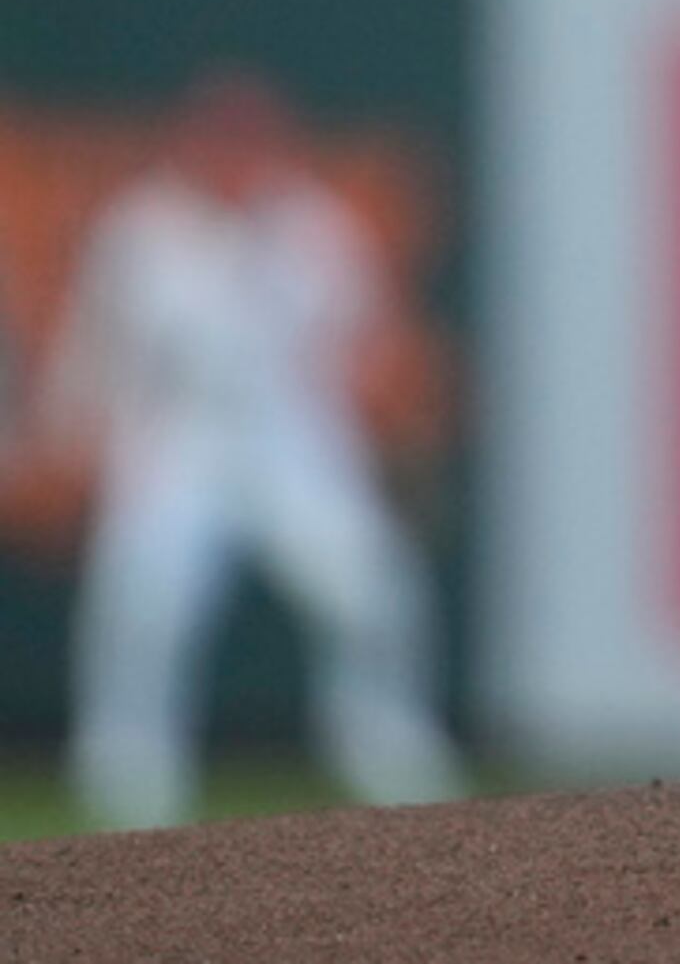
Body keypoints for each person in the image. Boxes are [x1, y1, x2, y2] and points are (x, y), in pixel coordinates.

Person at [33, 70, 466, 828]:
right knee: (145, 604)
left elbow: (364, 340)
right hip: (177, 440)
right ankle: (127, 775)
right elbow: (95, 348)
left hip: (289, 435)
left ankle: (389, 749)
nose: (236, 159)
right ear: (191, 145)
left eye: (250, 142)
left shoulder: (311, 223)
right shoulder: (140, 229)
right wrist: (73, 427)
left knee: (370, 587)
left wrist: (387, 421)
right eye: (221, 142)